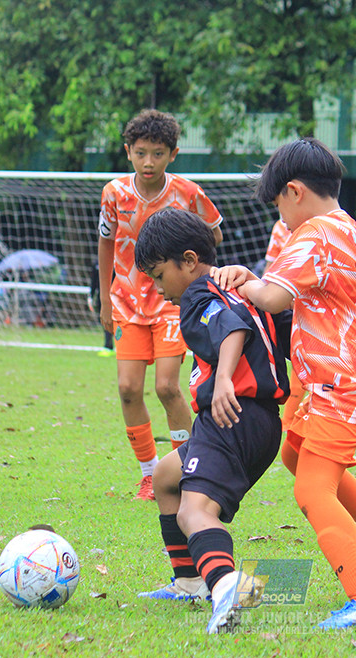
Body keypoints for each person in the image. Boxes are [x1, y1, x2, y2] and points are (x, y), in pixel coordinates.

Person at [211, 138, 356, 630]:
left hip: (343, 380)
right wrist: (255, 281)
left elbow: (274, 298)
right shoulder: (344, 226)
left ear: (295, 191)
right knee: (295, 454)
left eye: (278, 204)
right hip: (347, 374)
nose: (279, 215)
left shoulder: (315, 233)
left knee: (311, 489)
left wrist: (237, 281)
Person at [132, 207, 290, 633]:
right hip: (261, 422)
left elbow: (233, 329)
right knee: (167, 476)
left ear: (187, 261)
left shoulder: (200, 297)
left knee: (195, 511)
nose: (159, 289)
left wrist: (222, 380)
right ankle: (189, 582)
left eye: (159, 276)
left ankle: (225, 587)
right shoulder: (242, 288)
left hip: (231, 415)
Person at [98, 109, 224, 501]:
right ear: (128, 152)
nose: (148, 161)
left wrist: (196, 281)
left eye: (157, 153)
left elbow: (214, 236)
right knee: (127, 388)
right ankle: (150, 474)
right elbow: (104, 243)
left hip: (173, 303)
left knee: (168, 387)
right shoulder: (114, 194)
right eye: (140, 153)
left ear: (173, 153)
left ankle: (186, 467)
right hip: (126, 303)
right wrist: (105, 298)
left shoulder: (187, 193)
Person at [263, 218, 304, 431]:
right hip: (287, 308)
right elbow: (271, 268)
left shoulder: (319, 228)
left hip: (310, 310)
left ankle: (290, 422)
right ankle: (288, 422)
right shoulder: (280, 227)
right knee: (297, 360)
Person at [87, 260, 115, 357]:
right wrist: (91, 296)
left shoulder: (119, 262)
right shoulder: (97, 263)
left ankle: (120, 345)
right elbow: (94, 281)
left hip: (119, 297)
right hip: (103, 298)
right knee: (106, 321)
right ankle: (108, 346)